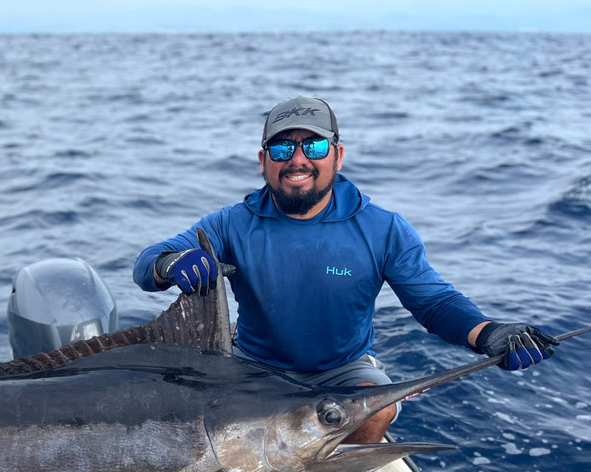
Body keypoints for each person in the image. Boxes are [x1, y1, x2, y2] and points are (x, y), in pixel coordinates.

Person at [133, 96, 558, 444]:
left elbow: (433, 303)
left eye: (313, 147)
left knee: (377, 411)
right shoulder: (229, 223)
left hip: (343, 370)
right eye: (282, 148)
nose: (297, 160)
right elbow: (147, 264)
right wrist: (172, 263)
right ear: (263, 161)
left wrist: (487, 334)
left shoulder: (383, 227)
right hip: (253, 366)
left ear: (337, 155)